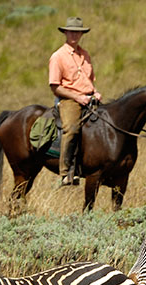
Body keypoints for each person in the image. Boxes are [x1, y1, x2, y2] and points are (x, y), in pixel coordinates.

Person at [49, 17, 102, 186]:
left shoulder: (85, 54)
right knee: (71, 129)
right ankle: (66, 172)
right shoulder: (58, 56)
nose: (74, 34)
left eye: (77, 31)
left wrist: (95, 92)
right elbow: (55, 87)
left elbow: (89, 80)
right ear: (65, 32)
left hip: (88, 98)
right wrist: (77, 97)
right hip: (69, 100)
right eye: (71, 31)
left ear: (81, 34)